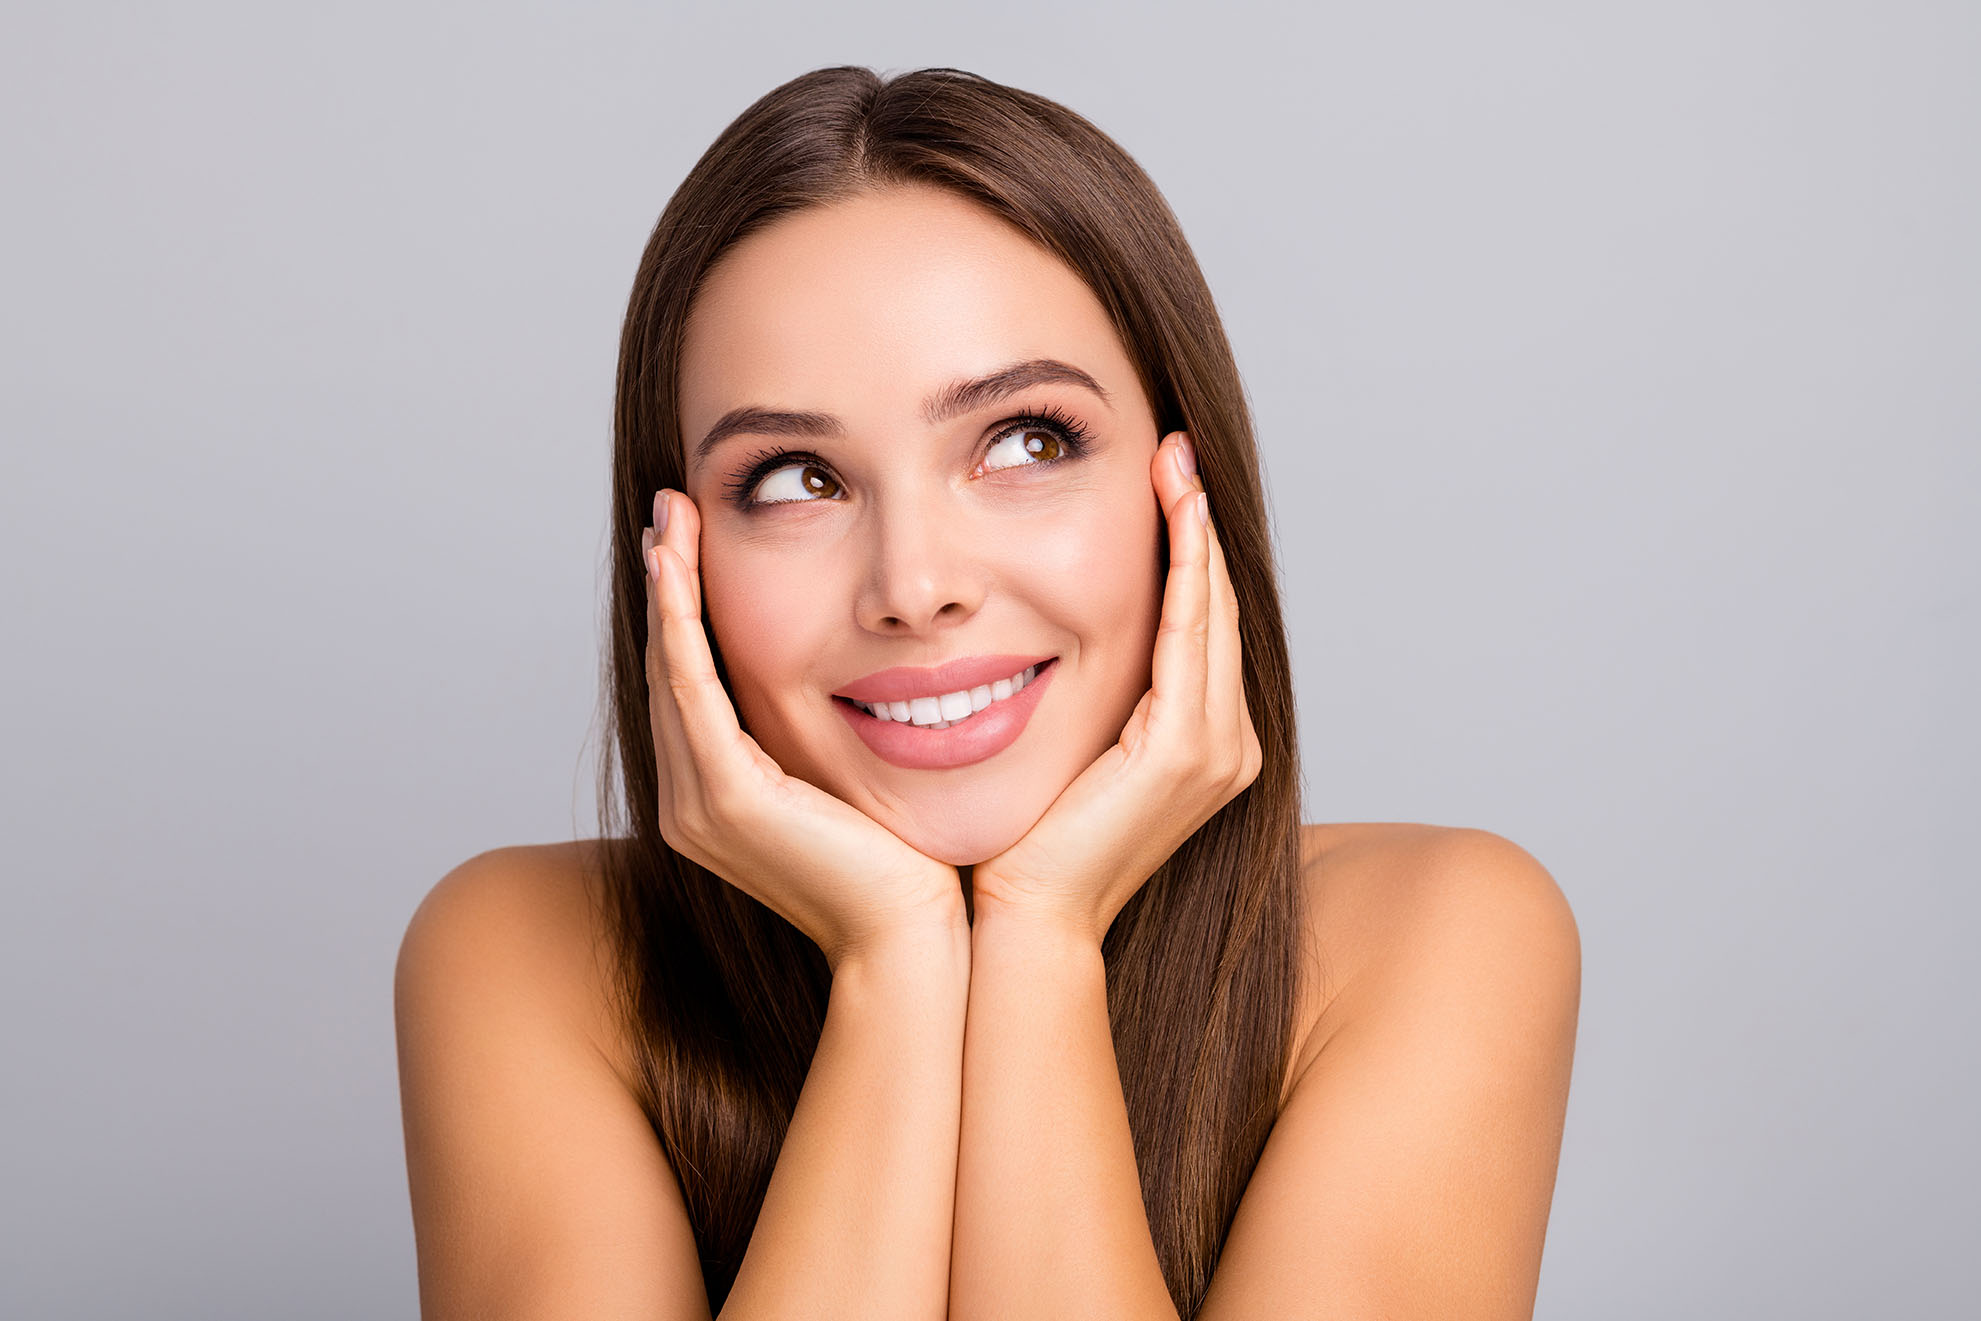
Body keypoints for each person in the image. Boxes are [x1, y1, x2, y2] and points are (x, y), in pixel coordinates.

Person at [393, 65, 1581, 1320]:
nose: (914, 585)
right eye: (796, 478)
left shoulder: (1435, 935)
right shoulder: (521, 953)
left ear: (1185, 497)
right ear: (671, 558)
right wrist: (894, 964)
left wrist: (1038, 936)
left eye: (1026, 441)